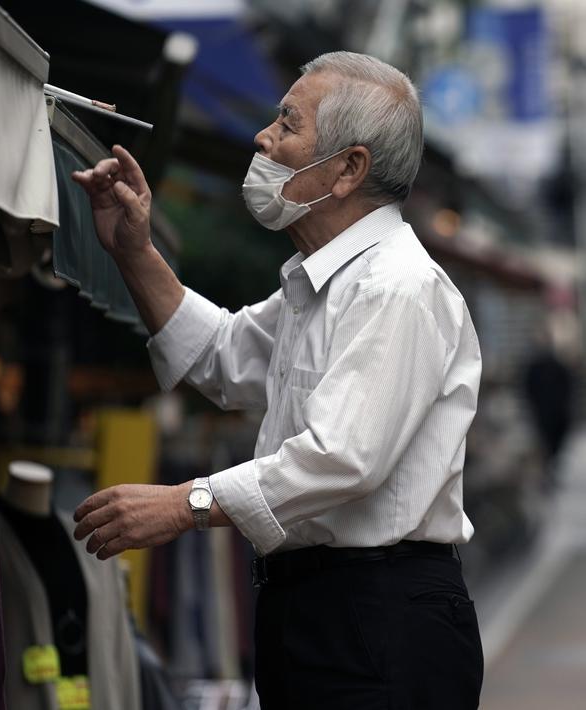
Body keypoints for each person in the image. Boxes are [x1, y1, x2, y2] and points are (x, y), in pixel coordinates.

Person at [69, 52, 484, 709]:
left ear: (349, 168)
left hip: (376, 615)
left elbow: (342, 456)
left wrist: (187, 503)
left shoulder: (397, 286)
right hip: (321, 608)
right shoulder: (318, 282)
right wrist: (133, 250)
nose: (264, 138)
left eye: (287, 125)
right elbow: (222, 356)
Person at [522, 332, 575, 491]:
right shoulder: (533, 368)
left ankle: (549, 471)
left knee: (553, 446)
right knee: (545, 446)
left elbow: (568, 387)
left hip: (557, 413)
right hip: (542, 413)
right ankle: (546, 475)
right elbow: (528, 389)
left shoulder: (559, 366)